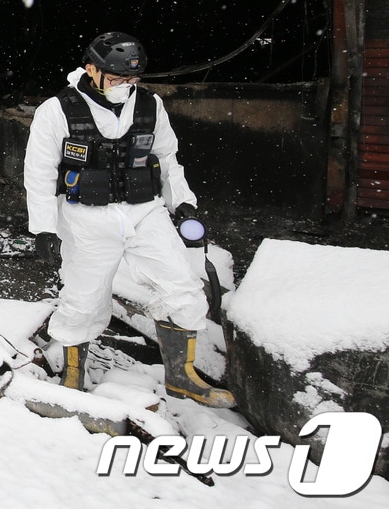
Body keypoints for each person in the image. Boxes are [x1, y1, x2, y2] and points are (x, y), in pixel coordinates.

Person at [23, 31, 233, 408]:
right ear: (92, 70)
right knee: (83, 300)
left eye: (132, 80)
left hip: (144, 210)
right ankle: (73, 377)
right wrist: (43, 228)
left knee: (182, 287)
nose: (127, 87)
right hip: (86, 216)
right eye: (119, 79)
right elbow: (39, 172)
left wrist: (182, 203)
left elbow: (167, 158)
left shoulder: (150, 106)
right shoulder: (57, 110)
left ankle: (182, 377)